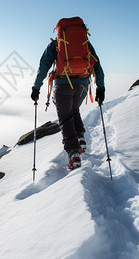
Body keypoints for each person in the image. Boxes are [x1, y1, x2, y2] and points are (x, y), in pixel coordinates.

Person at [31, 18, 105, 170]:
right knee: (74, 109)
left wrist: (36, 88)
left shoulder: (55, 45)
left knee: (65, 118)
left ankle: (73, 153)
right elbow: (97, 65)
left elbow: (43, 67)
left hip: (63, 84)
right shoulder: (86, 44)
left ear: (59, 31)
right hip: (83, 84)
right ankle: (81, 138)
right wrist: (101, 89)